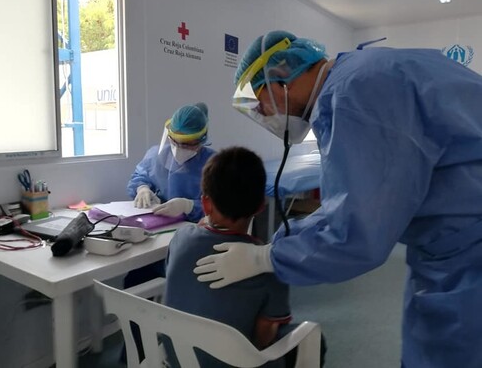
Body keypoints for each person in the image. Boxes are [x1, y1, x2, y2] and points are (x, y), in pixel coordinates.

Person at [193, 30, 482, 368]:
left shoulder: (356, 96)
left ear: (280, 76)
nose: (264, 113)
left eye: (261, 102)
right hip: (452, 246)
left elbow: (359, 233)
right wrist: (281, 243)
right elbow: (349, 204)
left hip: (468, 256)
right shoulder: (362, 76)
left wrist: (266, 259)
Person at [164, 146, 322, 367]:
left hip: (176, 359)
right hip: (235, 362)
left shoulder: (180, 239)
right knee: (314, 340)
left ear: (206, 203)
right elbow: (263, 338)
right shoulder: (269, 265)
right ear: (260, 206)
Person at [124, 102, 216, 286]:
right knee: (134, 278)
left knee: (180, 279)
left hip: (194, 238)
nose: (180, 148)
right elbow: (139, 176)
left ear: (202, 138)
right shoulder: (157, 155)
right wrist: (143, 188)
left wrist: (189, 205)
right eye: (175, 141)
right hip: (158, 231)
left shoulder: (214, 163)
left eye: (188, 144)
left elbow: (222, 205)